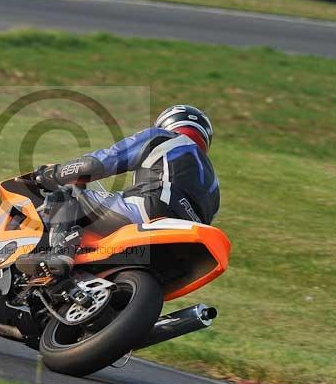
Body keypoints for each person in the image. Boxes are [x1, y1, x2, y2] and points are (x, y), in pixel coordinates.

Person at [17, 105, 220, 277]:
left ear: (168, 123)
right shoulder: (214, 184)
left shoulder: (164, 138)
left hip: (146, 211)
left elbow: (98, 163)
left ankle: (60, 253)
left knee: (68, 193)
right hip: (182, 245)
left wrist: (53, 174)